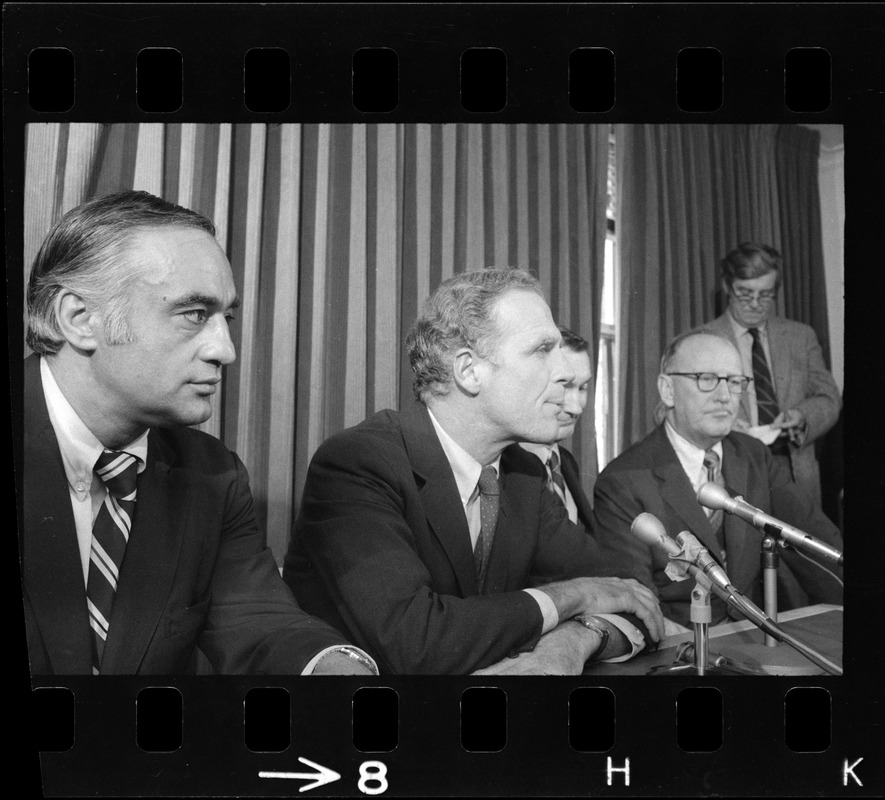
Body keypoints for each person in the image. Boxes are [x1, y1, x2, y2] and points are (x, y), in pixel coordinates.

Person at [21, 190, 377, 676]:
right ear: (80, 319)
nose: (224, 351)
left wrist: (338, 670)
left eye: (224, 318)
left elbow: (260, 623)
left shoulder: (213, 473)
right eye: (194, 314)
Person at [284, 268, 665, 675]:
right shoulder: (359, 462)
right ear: (468, 371)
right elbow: (417, 645)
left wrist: (576, 639)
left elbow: (630, 592)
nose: (567, 373)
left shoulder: (523, 473)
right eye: (541, 349)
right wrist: (576, 595)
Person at [593, 330, 844, 628]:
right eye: (706, 379)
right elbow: (636, 608)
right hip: (681, 652)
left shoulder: (754, 456)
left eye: (736, 382)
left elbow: (817, 546)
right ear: (667, 389)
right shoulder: (622, 481)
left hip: (756, 638)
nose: (725, 396)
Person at [698, 243, 841, 506]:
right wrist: (720, 425)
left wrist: (801, 417)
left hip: (795, 472)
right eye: (744, 293)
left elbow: (828, 398)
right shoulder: (700, 340)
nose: (755, 304)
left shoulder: (801, 336)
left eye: (765, 295)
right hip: (731, 474)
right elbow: (669, 411)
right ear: (727, 286)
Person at [519, 325, 595, 533]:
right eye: (565, 386)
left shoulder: (565, 462)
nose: (576, 407)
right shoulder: (503, 469)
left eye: (583, 388)